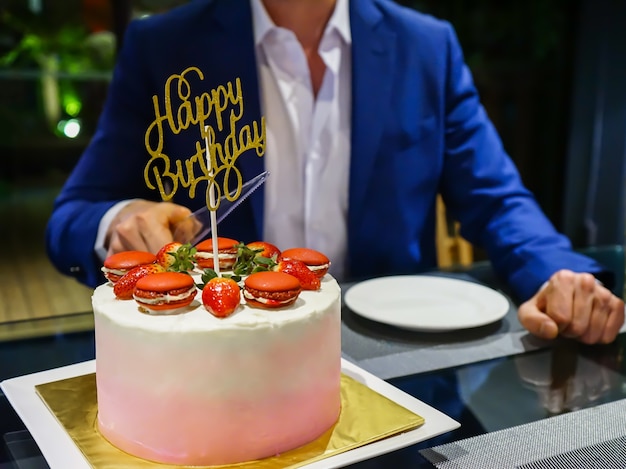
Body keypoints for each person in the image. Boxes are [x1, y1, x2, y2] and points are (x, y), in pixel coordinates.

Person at [46, 0, 624, 344]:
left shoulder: (426, 47)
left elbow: (497, 201)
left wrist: (559, 275)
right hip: (221, 363)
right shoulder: (165, 47)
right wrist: (120, 220)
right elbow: (74, 214)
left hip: (396, 361)